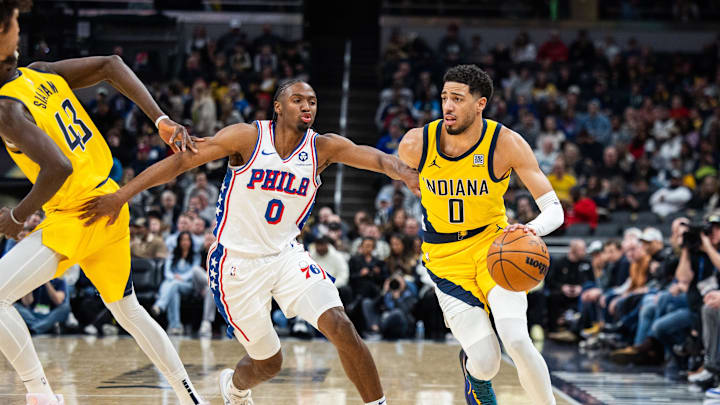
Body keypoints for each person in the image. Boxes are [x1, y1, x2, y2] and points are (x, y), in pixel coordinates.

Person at [81, 79, 419, 405]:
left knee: (341, 325)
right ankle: (235, 388)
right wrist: (122, 195)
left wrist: (400, 170)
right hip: (236, 264)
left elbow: (374, 158)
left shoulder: (321, 147)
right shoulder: (247, 137)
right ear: (278, 107)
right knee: (269, 364)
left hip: (286, 256)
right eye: (298, 100)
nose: (307, 106)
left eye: (312, 101)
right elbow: (181, 163)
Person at [0, 3, 207, 405]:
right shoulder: (39, 73)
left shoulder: (7, 109)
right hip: (110, 204)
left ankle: (41, 395)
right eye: (16, 24)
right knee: (129, 311)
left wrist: (17, 216)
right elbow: (112, 65)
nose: (20, 30)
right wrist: (160, 118)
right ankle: (191, 397)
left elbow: (57, 168)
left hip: (78, 213)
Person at [398, 65, 563, 404]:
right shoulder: (416, 143)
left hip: (495, 248)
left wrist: (530, 229)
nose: (448, 106)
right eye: (444, 97)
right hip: (445, 260)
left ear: (480, 103)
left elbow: (555, 209)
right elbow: (397, 175)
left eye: (457, 99)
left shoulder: (506, 143)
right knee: (486, 362)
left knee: (516, 339)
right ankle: (475, 377)